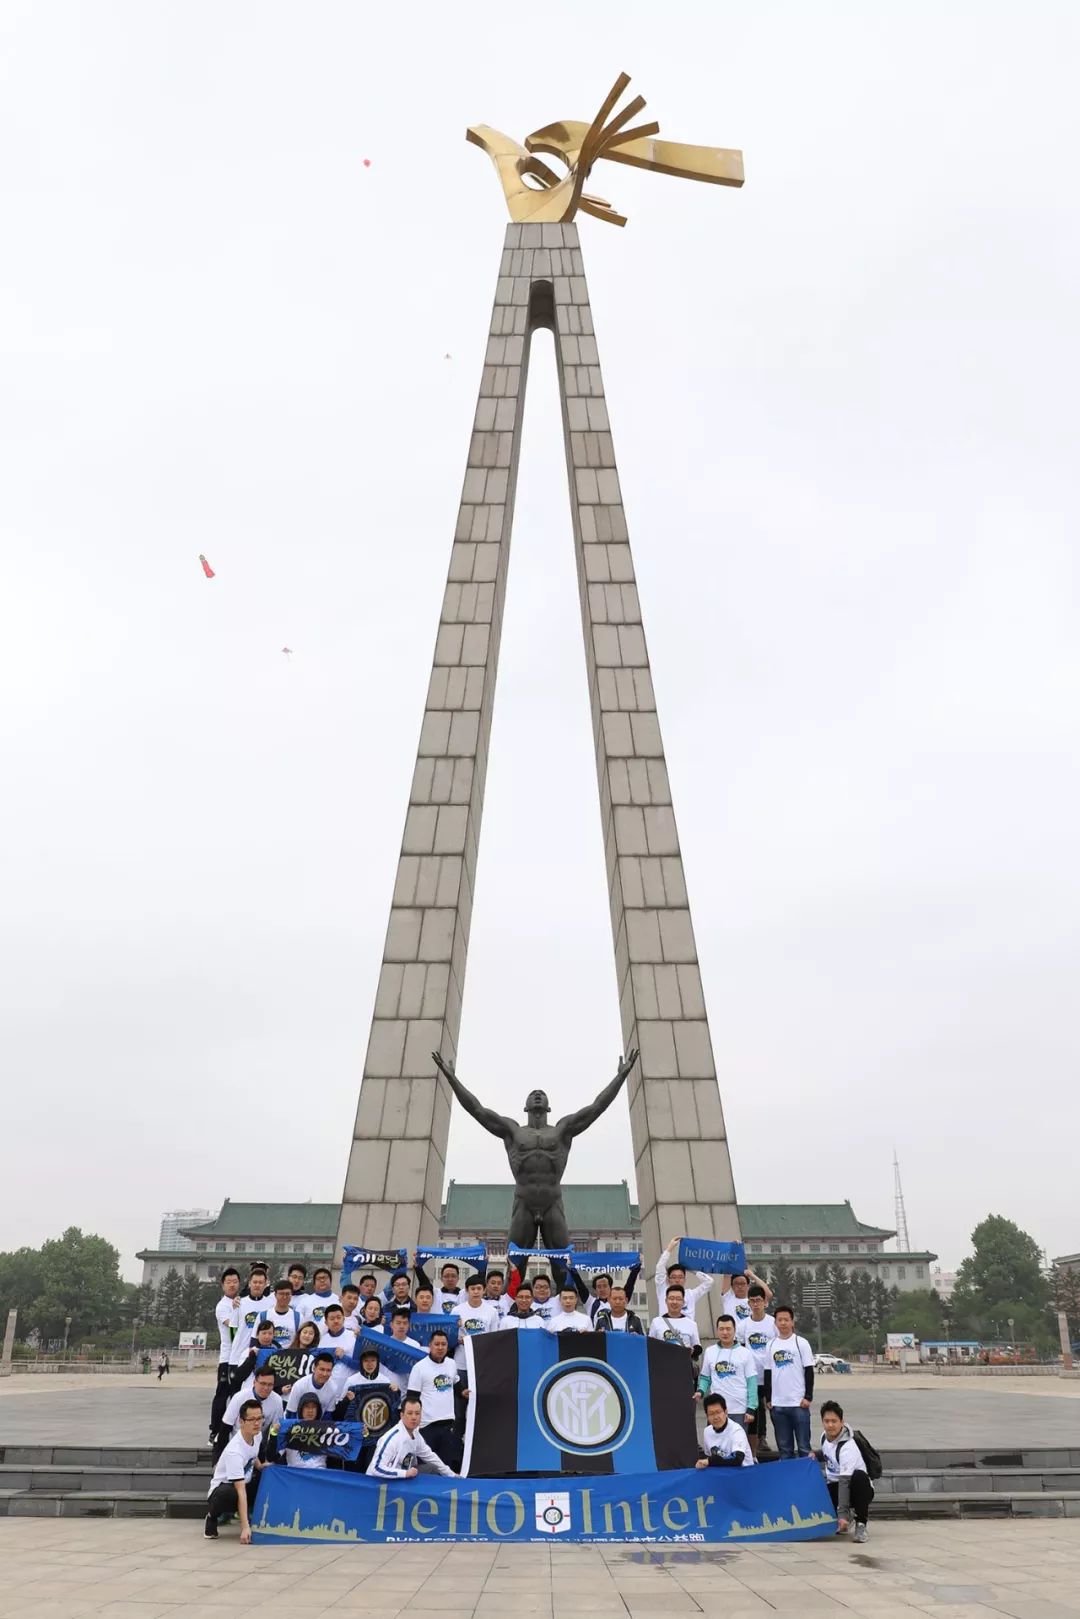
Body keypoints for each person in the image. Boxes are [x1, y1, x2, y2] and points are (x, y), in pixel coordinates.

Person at [204, 1398, 264, 1540]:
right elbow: (240, 1489)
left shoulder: (258, 1435)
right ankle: (212, 1517)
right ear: (241, 1422)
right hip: (225, 1489)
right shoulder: (234, 1451)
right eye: (252, 1419)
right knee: (230, 1493)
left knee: (268, 1476)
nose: (257, 1423)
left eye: (259, 1418)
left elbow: (252, 1455)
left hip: (245, 1483)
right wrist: (245, 1527)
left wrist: (260, 1466)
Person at [816, 1400, 873, 1543]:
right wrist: (815, 1455)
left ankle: (861, 1524)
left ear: (842, 1422)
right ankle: (844, 1518)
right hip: (835, 1484)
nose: (830, 1425)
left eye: (834, 1421)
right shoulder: (824, 1437)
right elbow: (828, 1453)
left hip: (856, 1488)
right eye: (826, 1421)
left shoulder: (848, 1446)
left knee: (859, 1477)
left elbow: (845, 1482)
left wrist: (842, 1515)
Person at [764, 1306, 816, 1459]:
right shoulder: (771, 1345)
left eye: (786, 1320)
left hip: (798, 1404)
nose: (783, 1323)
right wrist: (768, 1399)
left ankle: (804, 1481)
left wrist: (808, 1396)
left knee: (803, 1448)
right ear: (775, 1323)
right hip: (778, 1405)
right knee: (784, 1449)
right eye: (780, 1320)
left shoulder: (801, 1343)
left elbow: (809, 1371)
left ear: (792, 1322)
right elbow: (768, 1372)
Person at [406, 1329, 463, 1469]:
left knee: (447, 1467)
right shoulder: (419, 1368)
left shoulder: (451, 1364)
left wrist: (463, 1392)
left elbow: (455, 1383)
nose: (440, 1347)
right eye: (436, 1344)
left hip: (448, 1425)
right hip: (427, 1426)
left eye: (443, 1344)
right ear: (430, 1345)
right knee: (427, 1468)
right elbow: (412, 1399)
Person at [366, 1393, 457, 1478]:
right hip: (380, 1483)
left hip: (402, 1478)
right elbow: (376, 1469)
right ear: (402, 1415)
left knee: (432, 1468)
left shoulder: (416, 1434)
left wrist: (452, 1475)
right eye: (410, 1413)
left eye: (417, 1413)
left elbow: (430, 1457)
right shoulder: (392, 1438)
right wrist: (405, 1473)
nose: (414, 1417)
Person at [737, 1285, 777, 1456]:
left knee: (770, 1407)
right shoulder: (743, 1325)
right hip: (750, 1376)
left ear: (764, 1302)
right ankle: (757, 1440)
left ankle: (770, 1438)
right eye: (752, 1301)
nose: (755, 1304)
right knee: (754, 1408)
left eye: (758, 1300)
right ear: (748, 1303)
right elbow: (740, 1349)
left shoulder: (773, 1323)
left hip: (769, 1375)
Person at [698, 1315, 758, 1428]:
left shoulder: (745, 1353)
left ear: (734, 1330)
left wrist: (751, 1408)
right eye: (721, 1329)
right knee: (715, 1443)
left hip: (739, 1409)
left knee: (737, 1444)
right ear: (717, 1331)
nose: (725, 1332)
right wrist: (700, 1391)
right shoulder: (710, 1351)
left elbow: (752, 1382)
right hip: (716, 1410)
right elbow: (705, 1377)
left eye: (728, 1329)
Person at [218, 1368, 283, 1460]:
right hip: (237, 1445)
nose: (266, 1388)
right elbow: (225, 1428)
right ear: (254, 1382)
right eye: (263, 1383)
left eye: (270, 1385)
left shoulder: (277, 1401)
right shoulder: (239, 1397)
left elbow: (275, 1430)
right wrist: (218, 1458)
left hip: (258, 1447)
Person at [210, 1268, 241, 1442]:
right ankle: (215, 1430)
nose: (231, 1284)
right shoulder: (222, 1306)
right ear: (223, 1285)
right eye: (228, 1282)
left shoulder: (242, 1301)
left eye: (235, 1281)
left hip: (240, 1358)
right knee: (222, 1394)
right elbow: (233, 1331)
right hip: (227, 1357)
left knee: (237, 1395)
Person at [653, 1237, 714, 1315]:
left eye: (680, 1277)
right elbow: (660, 1267)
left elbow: (709, 1282)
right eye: (674, 1277)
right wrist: (669, 1248)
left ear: (685, 1279)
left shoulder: (690, 1295)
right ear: (668, 1279)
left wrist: (691, 1269)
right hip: (667, 1327)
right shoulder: (663, 1291)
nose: (677, 1280)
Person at [452, 1275, 500, 1369]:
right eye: (472, 1289)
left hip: (483, 1362)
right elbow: (451, 1336)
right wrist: (459, 1339)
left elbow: (494, 1337)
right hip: (461, 1362)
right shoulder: (457, 1311)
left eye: (479, 1288)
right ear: (467, 1290)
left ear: (484, 1290)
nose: (476, 1292)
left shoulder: (492, 1311)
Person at [228, 1272, 271, 1375]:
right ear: (249, 1283)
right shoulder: (239, 1303)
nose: (257, 1285)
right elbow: (233, 1328)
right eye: (255, 1282)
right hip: (239, 1355)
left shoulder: (271, 1304)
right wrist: (235, 1345)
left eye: (261, 1282)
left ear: (265, 1285)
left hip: (262, 1355)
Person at [696, 1393, 754, 1468]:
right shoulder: (707, 1432)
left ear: (726, 1412)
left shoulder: (736, 1430)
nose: (715, 1417)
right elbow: (708, 1456)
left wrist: (710, 1461)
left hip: (742, 1473)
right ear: (707, 1416)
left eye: (718, 1412)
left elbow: (737, 1459)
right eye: (711, 1414)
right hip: (721, 1474)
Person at [275, 1392, 327, 1469]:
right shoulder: (289, 1429)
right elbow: (275, 1455)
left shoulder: (327, 1430)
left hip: (319, 1474)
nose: (310, 1410)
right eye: (307, 1407)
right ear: (301, 1409)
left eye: (313, 1407)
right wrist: (274, 1435)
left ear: (318, 1410)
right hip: (295, 1474)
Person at [648, 1284, 702, 1354]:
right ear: (666, 1301)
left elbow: (697, 1346)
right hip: (662, 1363)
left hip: (683, 1363)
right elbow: (649, 1346)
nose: (674, 1302)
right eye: (671, 1298)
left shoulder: (691, 1324)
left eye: (678, 1299)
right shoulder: (656, 1322)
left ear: (683, 1302)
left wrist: (693, 1351)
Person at [285, 1350, 340, 1416]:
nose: (325, 1374)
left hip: (319, 1424)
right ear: (314, 1368)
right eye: (322, 1369)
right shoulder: (299, 1385)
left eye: (328, 1370)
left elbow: (328, 1415)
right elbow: (291, 1412)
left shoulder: (333, 1387)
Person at [256, 1280, 301, 1349]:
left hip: (290, 1356)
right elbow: (254, 1340)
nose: (284, 1297)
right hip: (267, 1356)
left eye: (287, 1294)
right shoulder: (263, 1316)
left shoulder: (299, 1317)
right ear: (275, 1295)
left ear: (291, 1295)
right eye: (281, 1294)